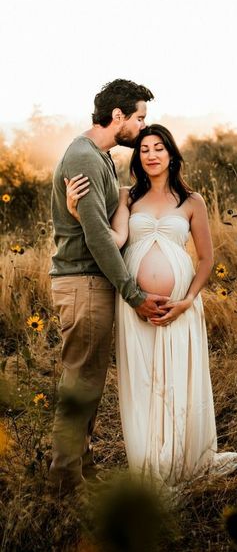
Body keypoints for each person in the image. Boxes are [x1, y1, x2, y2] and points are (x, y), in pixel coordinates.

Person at [66, 124, 237, 487]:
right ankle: (153, 468)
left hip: (181, 308)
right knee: (146, 382)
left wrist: (187, 301)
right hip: (136, 308)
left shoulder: (193, 201)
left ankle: (189, 457)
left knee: (181, 379)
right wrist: (78, 212)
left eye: (158, 148)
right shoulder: (126, 198)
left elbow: (207, 260)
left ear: (171, 154)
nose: (151, 154)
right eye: (144, 149)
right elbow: (114, 238)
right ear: (138, 158)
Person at [49, 79, 169, 492]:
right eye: (139, 118)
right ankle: (64, 479)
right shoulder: (83, 156)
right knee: (80, 380)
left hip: (90, 282)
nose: (141, 127)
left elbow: (106, 217)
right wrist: (133, 294)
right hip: (82, 282)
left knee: (91, 378)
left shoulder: (98, 158)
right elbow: (98, 238)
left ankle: (81, 462)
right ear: (117, 116)